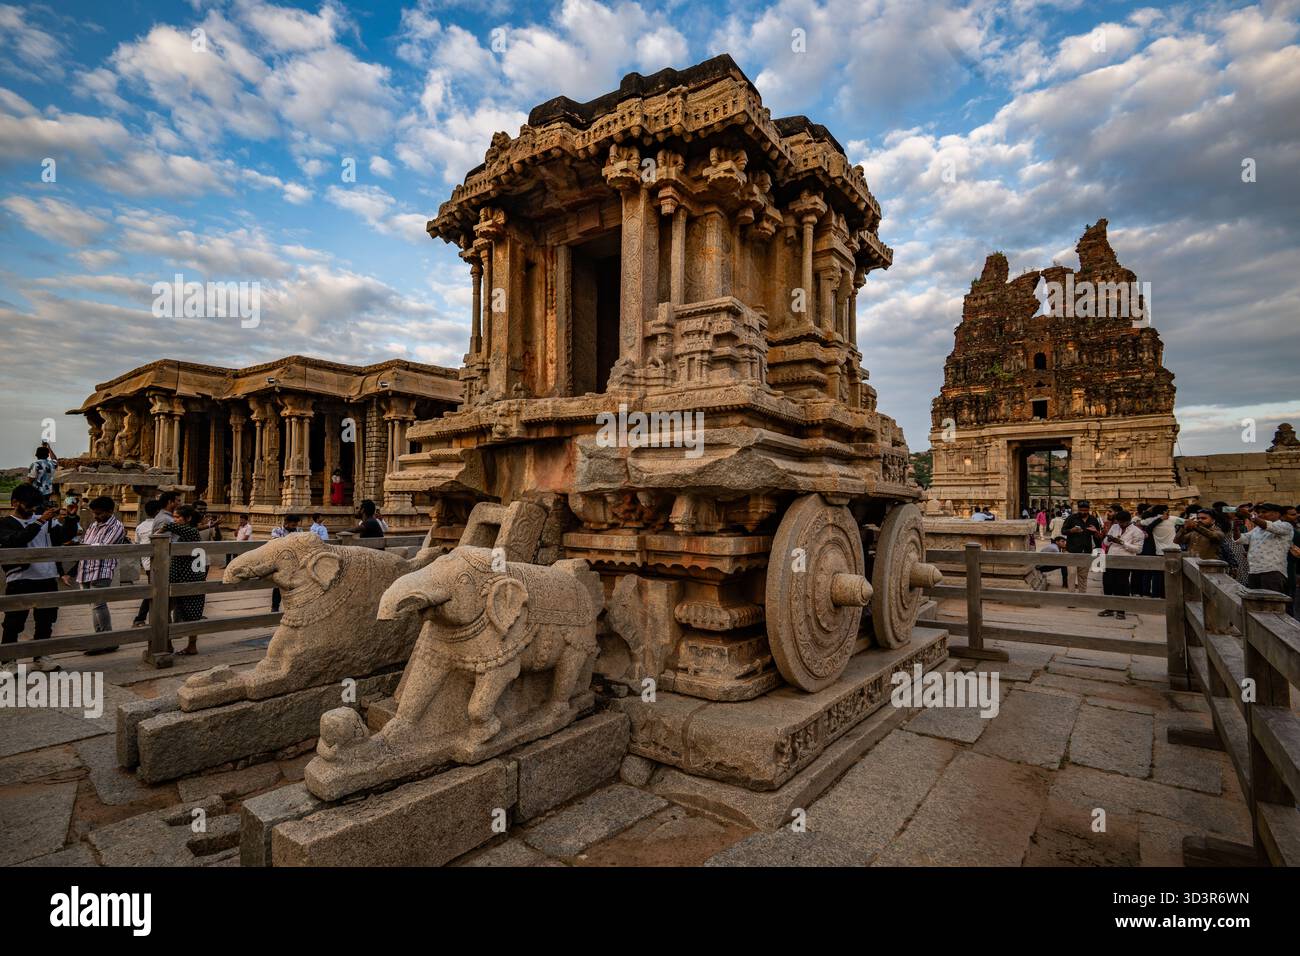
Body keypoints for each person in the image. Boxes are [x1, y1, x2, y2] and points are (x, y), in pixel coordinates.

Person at [1, 483, 79, 672]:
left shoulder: (46, 521)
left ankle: (41, 656)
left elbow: (64, 537)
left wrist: (70, 517)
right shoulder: (5, 524)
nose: (32, 510)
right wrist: (40, 521)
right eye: (28, 505)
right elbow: (16, 540)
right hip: (20, 579)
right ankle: (8, 661)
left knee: (46, 621)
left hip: (48, 577)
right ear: (14, 503)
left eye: (34, 505)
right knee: (14, 622)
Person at [71, 495, 127, 654]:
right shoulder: (94, 525)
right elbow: (87, 543)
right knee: (94, 605)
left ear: (110, 511)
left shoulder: (116, 526)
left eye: (100, 513)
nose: (96, 516)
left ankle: (106, 639)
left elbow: (102, 548)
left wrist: (83, 546)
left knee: (99, 604)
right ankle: (100, 638)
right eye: (94, 513)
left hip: (101, 568)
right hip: (86, 568)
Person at [152, 505, 206, 654]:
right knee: (165, 609)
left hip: (191, 579)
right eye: (174, 517)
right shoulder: (184, 533)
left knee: (192, 614)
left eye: (177, 517)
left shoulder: (192, 532)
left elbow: (168, 525)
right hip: (177, 578)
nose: (174, 520)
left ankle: (192, 645)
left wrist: (160, 531)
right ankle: (167, 643)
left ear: (188, 519)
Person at [1100, 509, 1144, 621]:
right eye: (1118, 522)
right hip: (1111, 558)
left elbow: (1138, 550)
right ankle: (1109, 608)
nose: (1120, 525)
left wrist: (1122, 543)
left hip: (1125, 560)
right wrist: (1109, 539)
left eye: (1122, 523)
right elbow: (1105, 543)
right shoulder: (1115, 527)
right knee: (1108, 583)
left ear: (1128, 521)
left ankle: (1121, 610)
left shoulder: (1137, 532)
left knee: (1122, 585)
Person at [1244, 503, 1292, 595]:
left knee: (1272, 603)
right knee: (1255, 603)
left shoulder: (1285, 526)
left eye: (1264, 512)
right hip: (1254, 570)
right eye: (1259, 512)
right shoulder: (1257, 529)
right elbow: (1242, 539)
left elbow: (1270, 527)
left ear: (1277, 514)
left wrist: (1249, 515)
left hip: (1272, 571)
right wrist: (1236, 528)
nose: (1260, 514)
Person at [131, 499, 163, 627]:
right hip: (160, 563)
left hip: (147, 564)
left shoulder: (140, 527)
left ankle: (143, 618)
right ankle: (140, 617)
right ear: (158, 511)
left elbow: (137, 544)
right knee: (155, 591)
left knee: (154, 590)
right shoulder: (161, 525)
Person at [1062, 500, 1103, 595]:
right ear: (1078, 509)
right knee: (1071, 574)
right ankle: (1071, 597)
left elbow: (1098, 538)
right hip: (1072, 551)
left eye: (1085, 510)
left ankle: (1082, 597)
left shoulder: (1093, 519)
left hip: (1086, 551)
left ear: (1088, 509)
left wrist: (1095, 531)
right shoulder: (1071, 518)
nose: (1083, 512)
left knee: (1083, 576)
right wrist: (1072, 530)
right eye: (1081, 510)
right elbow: (1063, 531)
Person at [268, 515, 302, 612]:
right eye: (292, 525)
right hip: (280, 563)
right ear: (286, 522)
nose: (294, 527)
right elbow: (276, 544)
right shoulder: (277, 531)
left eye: (295, 525)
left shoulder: (299, 531)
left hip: (295, 563)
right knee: (278, 586)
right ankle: (275, 607)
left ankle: (294, 609)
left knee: (295, 585)